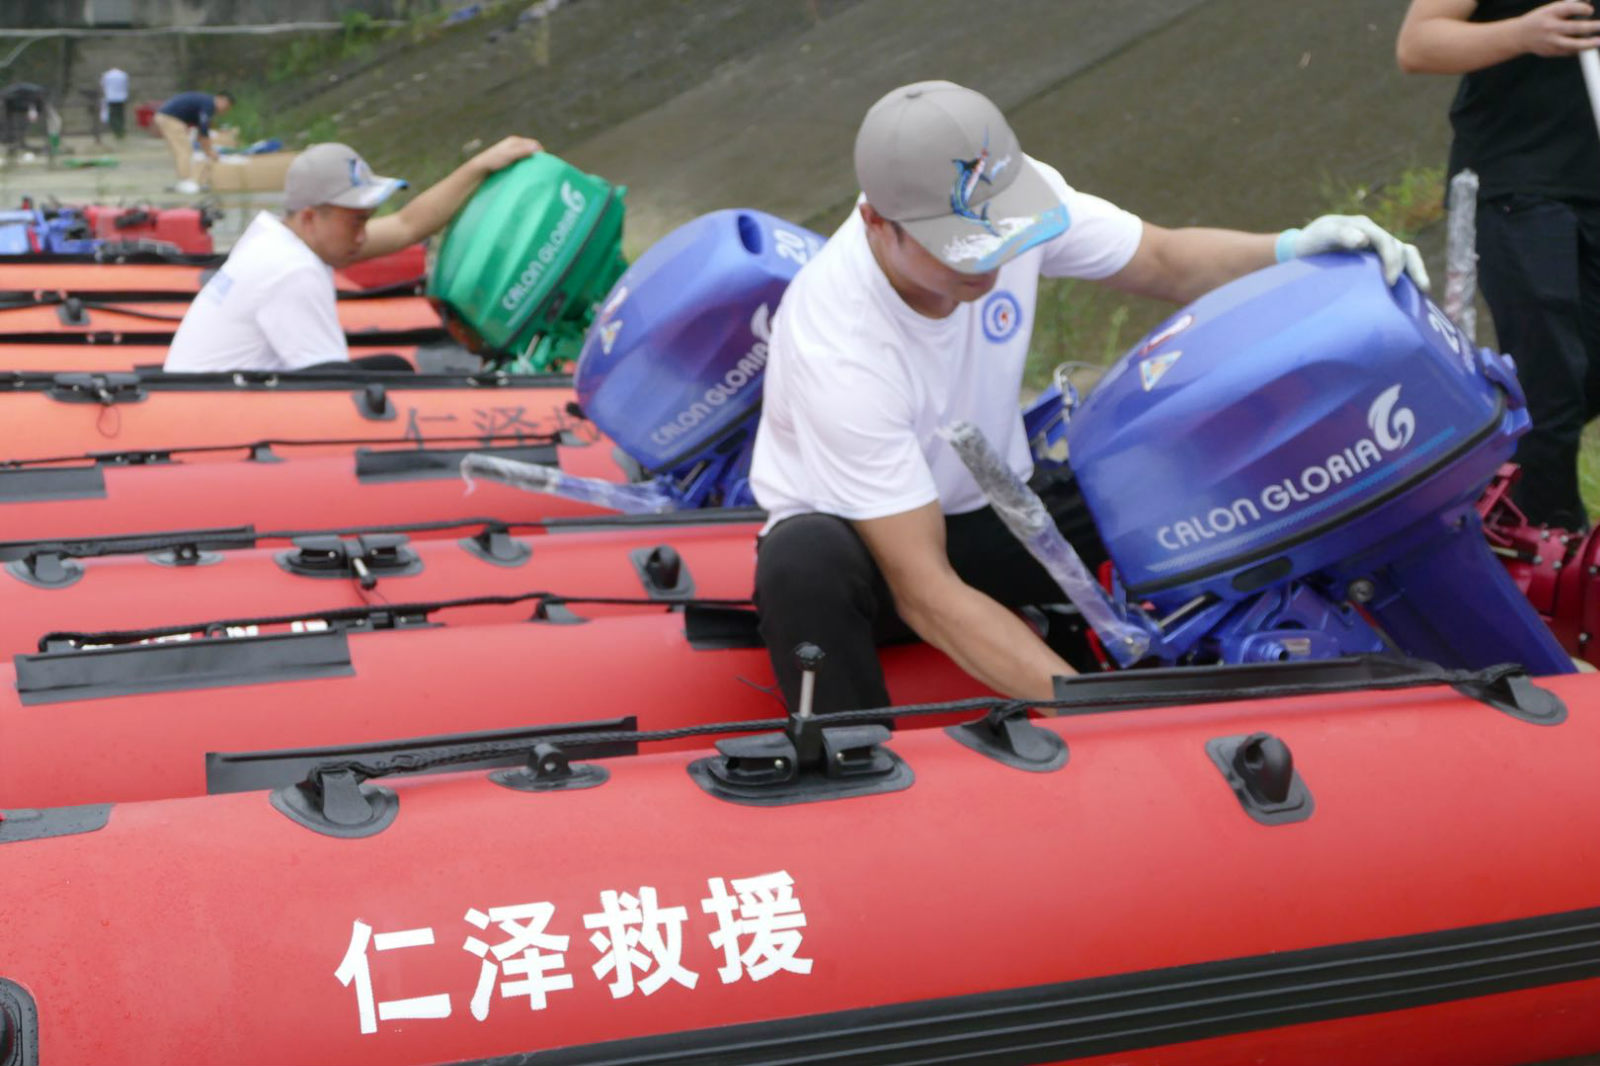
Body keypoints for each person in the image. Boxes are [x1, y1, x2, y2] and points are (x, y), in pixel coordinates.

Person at [749, 80, 1429, 714]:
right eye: (960, 247)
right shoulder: (838, 340)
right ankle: (854, 770)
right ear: (876, 221)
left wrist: (1293, 250)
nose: (986, 259)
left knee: (1180, 488)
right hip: (870, 545)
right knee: (805, 562)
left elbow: (1165, 261)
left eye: (995, 237)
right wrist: (1095, 714)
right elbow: (925, 592)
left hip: (993, 502)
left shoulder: (1010, 194)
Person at [1398, 1, 1600, 531]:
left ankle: (1486, 503)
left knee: (1571, 385)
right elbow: (1417, 44)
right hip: (1518, 178)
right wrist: (1523, 33)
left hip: (1591, 174)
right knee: (1551, 383)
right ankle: (1550, 553)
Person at [165, 136, 541, 373]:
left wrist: (479, 167)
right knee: (394, 374)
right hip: (221, 417)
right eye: (356, 222)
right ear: (311, 217)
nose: (362, 236)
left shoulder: (276, 237)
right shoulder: (292, 269)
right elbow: (332, 393)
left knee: (392, 368)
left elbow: (406, 227)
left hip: (223, 395)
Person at [154, 89, 233, 193]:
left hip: (168, 117)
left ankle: (186, 180)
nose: (224, 111)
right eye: (226, 107)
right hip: (170, 118)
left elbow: (201, 132)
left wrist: (207, 149)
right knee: (184, 151)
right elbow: (204, 131)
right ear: (222, 100)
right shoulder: (209, 104)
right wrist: (209, 151)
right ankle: (185, 182)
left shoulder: (206, 102)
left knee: (182, 150)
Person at [100, 66, 129, 140]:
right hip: (121, 97)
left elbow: (103, 85)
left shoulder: (107, 75)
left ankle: (117, 130)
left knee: (113, 115)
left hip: (111, 97)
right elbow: (125, 85)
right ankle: (120, 130)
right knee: (120, 115)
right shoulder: (123, 75)